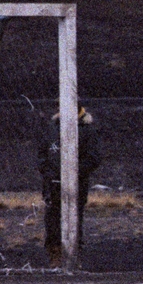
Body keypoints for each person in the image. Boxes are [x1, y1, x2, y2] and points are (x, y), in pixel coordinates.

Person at [38, 105, 102, 269]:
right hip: (52, 183)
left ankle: (74, 253)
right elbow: (42, 154)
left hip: (76, 184)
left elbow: (94, 158)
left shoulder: (87, 130)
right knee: (52, 219)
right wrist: (50, 173)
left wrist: (73, 173)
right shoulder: (52, 128)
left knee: (75, 218)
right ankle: (55, 254)